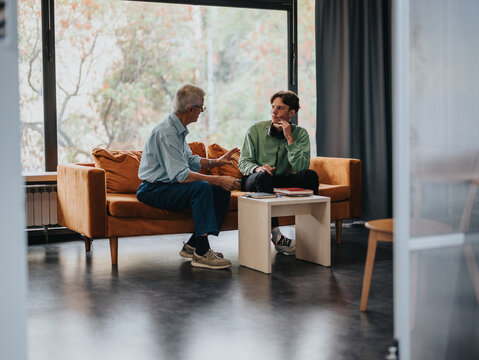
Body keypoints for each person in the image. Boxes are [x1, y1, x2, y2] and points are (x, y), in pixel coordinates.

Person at [136, 84, 240, 270]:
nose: (202, 112)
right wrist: (219, 179)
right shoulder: (166, 132)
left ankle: (193, 245)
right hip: (152, 189)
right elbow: (182, 176)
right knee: (203, 187)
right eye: (201, 107)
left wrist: (215, 163)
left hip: (167, 186)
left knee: (220, 191)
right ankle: (202, 252)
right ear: (190, 109)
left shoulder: (177, 129)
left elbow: (189, 160)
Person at [238, 90, 319, 255]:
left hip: (283, 179)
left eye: (280, 108)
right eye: (273, 107)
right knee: (264, 177)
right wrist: (258, 168)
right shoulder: (255, 131)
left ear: (291, 113)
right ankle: (277, 236)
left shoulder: (300, 134)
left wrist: (290, 139)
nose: (274, 111)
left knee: (310, 175)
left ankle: (312, 232)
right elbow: (243, 161)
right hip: (258, 179)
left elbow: (301, 166)